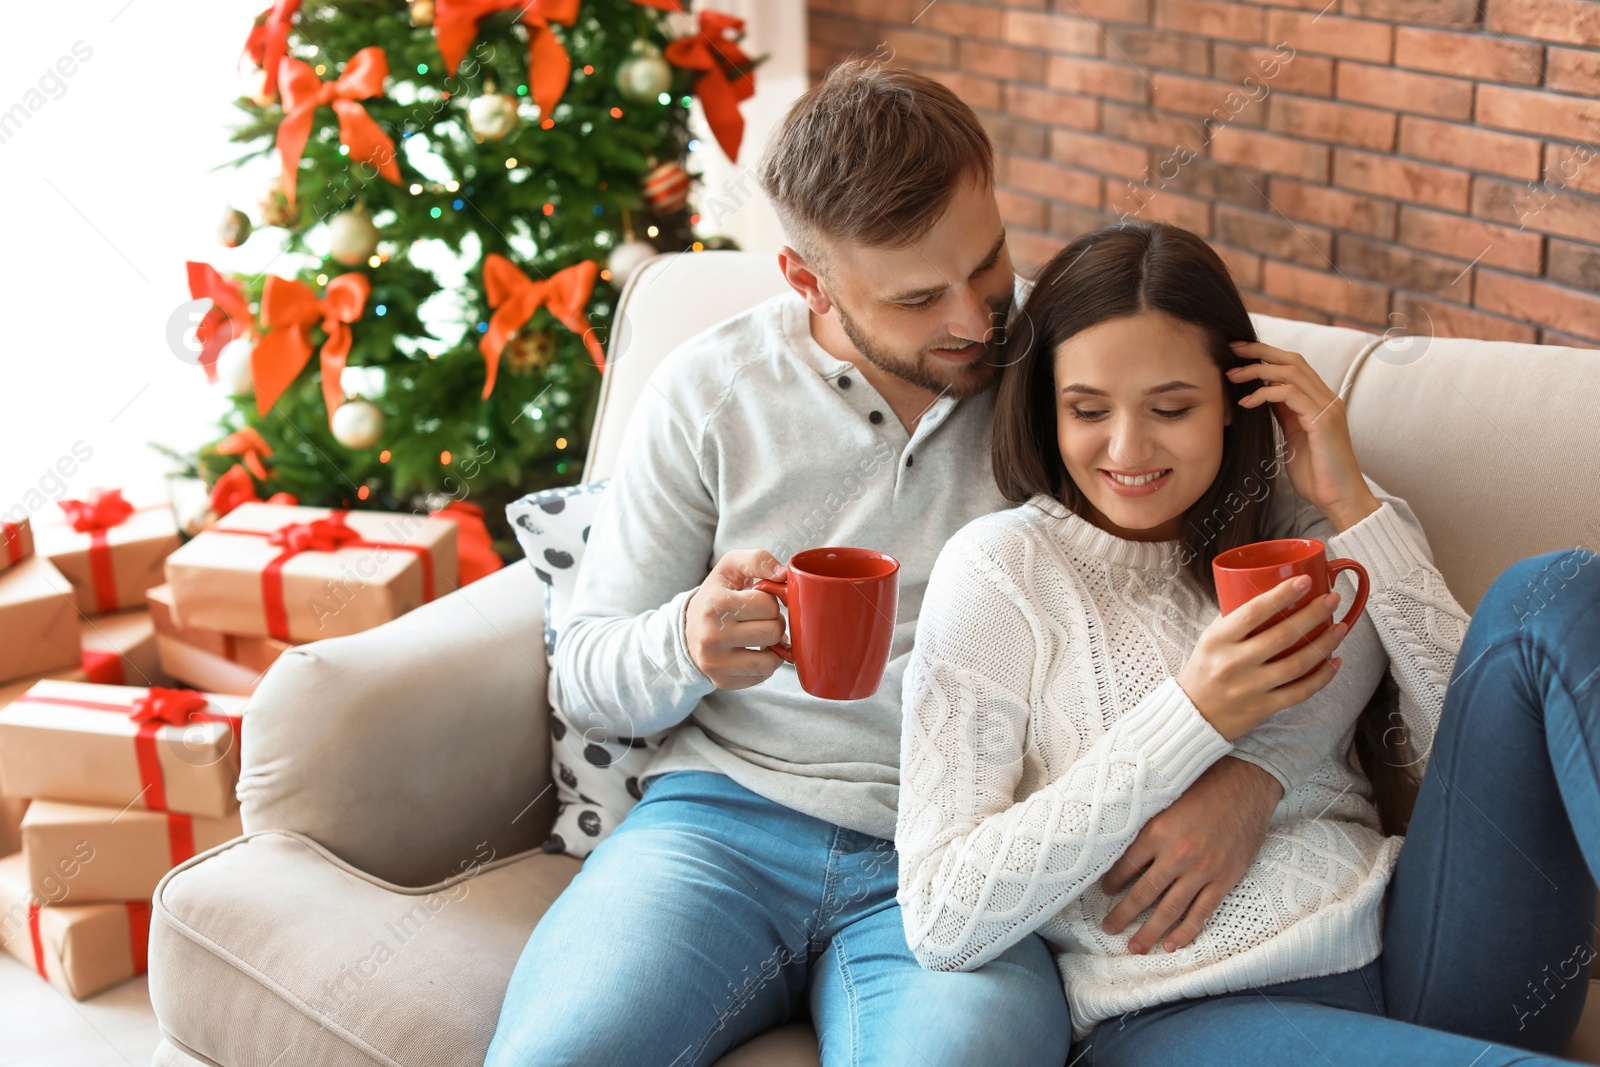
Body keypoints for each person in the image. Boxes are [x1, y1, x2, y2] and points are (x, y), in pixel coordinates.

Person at [485, 62, 1413, 1067]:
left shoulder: (1072, 367)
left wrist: (1253, 774)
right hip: (717, 826)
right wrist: (685, 642)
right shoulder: (708, 391)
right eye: (921, 296)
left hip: (980, 860)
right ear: (808, 279)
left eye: (989, 263)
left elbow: (1338, 591)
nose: (975, 319)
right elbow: (586, 675)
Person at [896, 218, 1600, 1065]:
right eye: (1088, 409)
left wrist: (1353, 504)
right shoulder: (1001, 570)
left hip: (1425, 949)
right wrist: (1192, 717)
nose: (1127, 448)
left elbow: (1482, 750)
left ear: (1234, 400)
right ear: (1048, 407)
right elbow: (942, 914)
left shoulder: (1309, 534)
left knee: (1551, 590)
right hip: (1181, 1015)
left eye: (1172, 407)